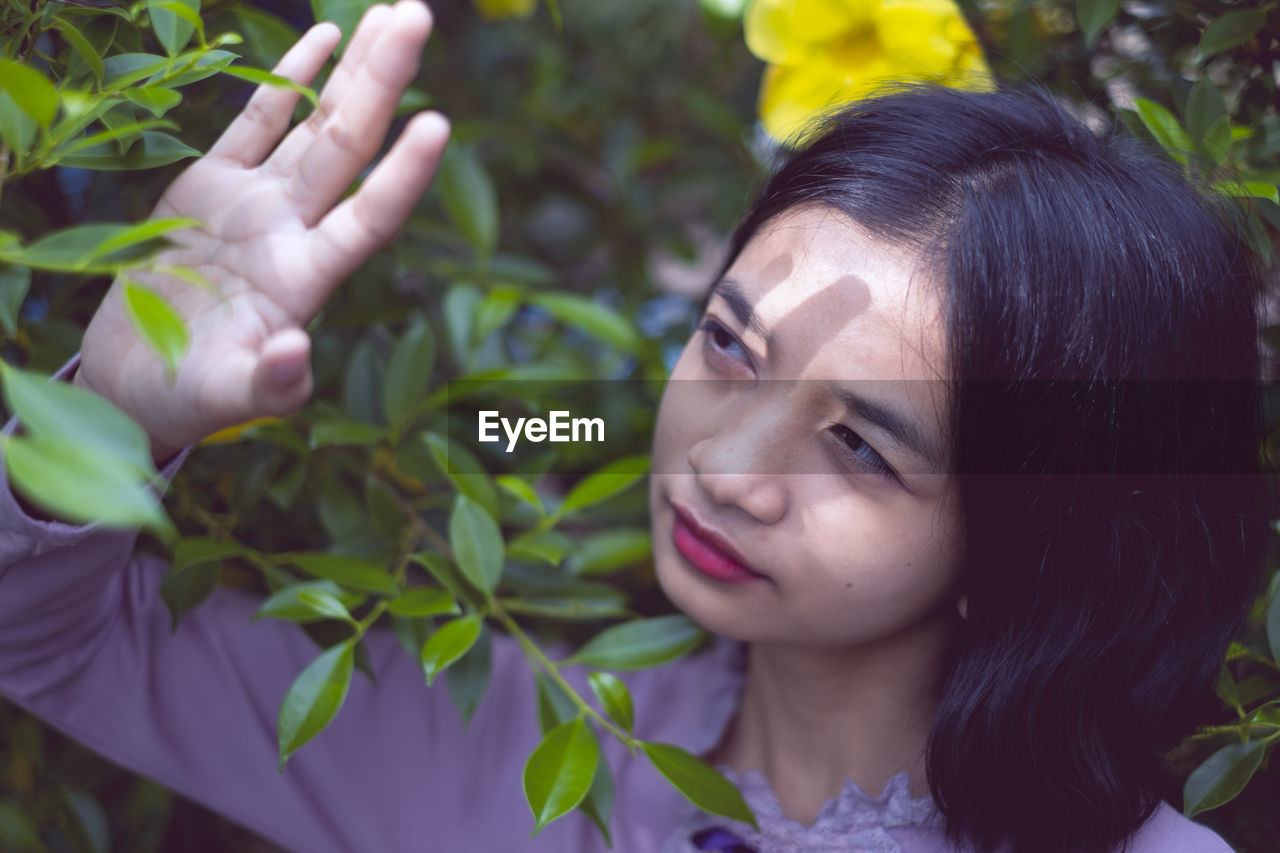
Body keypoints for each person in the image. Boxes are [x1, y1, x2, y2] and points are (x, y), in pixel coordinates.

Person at [0, 1, 1267, 850]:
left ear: (1028, 538)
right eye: (728, 344)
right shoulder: (517, 729)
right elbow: (49, 643)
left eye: (859, 446)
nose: (724, 467)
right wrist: (111, 405)